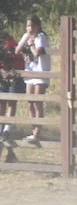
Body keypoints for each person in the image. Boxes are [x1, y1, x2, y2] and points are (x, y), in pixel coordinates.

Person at [15, 15, 49, 145]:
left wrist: (30, 45)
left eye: (31, 25)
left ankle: (37, 133)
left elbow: (36, 53)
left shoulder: (41, 37)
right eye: (27, 25)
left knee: (37, 103)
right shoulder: (26, 35)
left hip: (41, 72)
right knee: (30, 102)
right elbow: (17, 50)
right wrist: (25, 43)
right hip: (30, 72)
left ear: (37, 26)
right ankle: (33, 130)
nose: (29, 28)